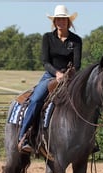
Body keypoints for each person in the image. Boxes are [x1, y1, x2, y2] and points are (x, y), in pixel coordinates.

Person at [18, 4, 82, 153]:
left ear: (68, 22)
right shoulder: (47, 38)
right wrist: (57, 73)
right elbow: (45, 62)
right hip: (50, 76)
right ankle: (23, 137)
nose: (61, 22)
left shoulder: (76, 40)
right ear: (54, 22)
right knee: (35, 99)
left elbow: (77, 64)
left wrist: (67, 74)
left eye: (64, 19)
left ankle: (89, 140)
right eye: (58, 19)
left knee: (86, 99)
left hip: (70, 77)